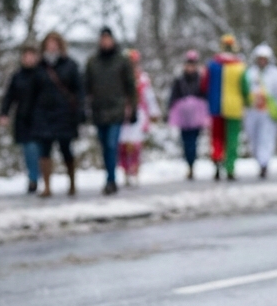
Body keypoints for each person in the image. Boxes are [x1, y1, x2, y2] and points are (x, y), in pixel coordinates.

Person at [26, 31, 83, 198]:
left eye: (54, 43)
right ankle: (47, 186)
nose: (51, 47)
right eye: (48, 44)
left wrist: (79, 111)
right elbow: (31, 93)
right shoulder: (39, 67)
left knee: (66, 149)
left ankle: (72, 183)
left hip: (64, 114)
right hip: (43, 114)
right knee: (44, 151)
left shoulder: (70, 65)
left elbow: (78, 90)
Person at [83, 27, 136, 195]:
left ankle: (111, 180)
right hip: (98, 111)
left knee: (112, 144)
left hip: (116, 110)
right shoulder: (92, 62)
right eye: (103, 39)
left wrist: (132, 108)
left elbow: (131, 87)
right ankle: (109, 175)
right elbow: (86, 87)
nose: (105, 42)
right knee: (104, 146)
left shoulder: (122, 60)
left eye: (108, 39)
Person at [0, 45, 42, 193]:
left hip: (40, 119)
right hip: (23, 119)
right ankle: (33, 178)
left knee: (36, 150)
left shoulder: (42, 75)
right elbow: (9, 97)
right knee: (28, 150)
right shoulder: (17, 76)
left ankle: (37, 178)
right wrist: (4, 113)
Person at [203, 34, 246, 181]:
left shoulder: (213, 65)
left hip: (215, 106)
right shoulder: (239, 66)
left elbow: (204, 85)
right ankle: (230, 167)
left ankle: (217, 160)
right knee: (232, 137)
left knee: (217, 137)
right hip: (234, 107)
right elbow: (245, 87)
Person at [117, 50, 158, 187]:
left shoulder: (142, 79)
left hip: (138, 113)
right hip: (122, 113)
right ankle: (125, 171)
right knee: (123, 144)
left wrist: (153, 112)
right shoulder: (119, 78)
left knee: (135, 144)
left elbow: (149, 97)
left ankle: (135, 170)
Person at [243, 44, 277, 179]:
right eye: (259, 58)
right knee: (254, 139)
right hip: (253, 112)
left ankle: (264, 164)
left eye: (264, 58)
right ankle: (259, 161)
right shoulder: (250, 73)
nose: (262, 61)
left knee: (266, 138)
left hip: (268, 112)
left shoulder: (276, 74)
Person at [167, 51, 210, 180]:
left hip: (196, 116)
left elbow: (205, 94)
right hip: (183, 117)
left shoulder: (201, 79)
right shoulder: (179, 80)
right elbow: (173, 96)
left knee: (194, 141)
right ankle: (189, 163)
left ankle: (192, 163)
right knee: (186, 141)